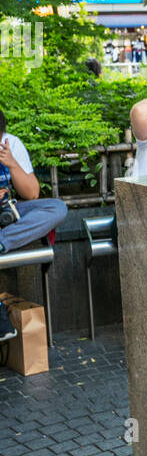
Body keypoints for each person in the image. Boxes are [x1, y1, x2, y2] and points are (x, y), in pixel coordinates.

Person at [0, 110, 68, 342]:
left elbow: (31, 193)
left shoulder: (11, 145)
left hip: (11, 214)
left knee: (57, 208)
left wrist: (12, 164)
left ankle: (3, 242)